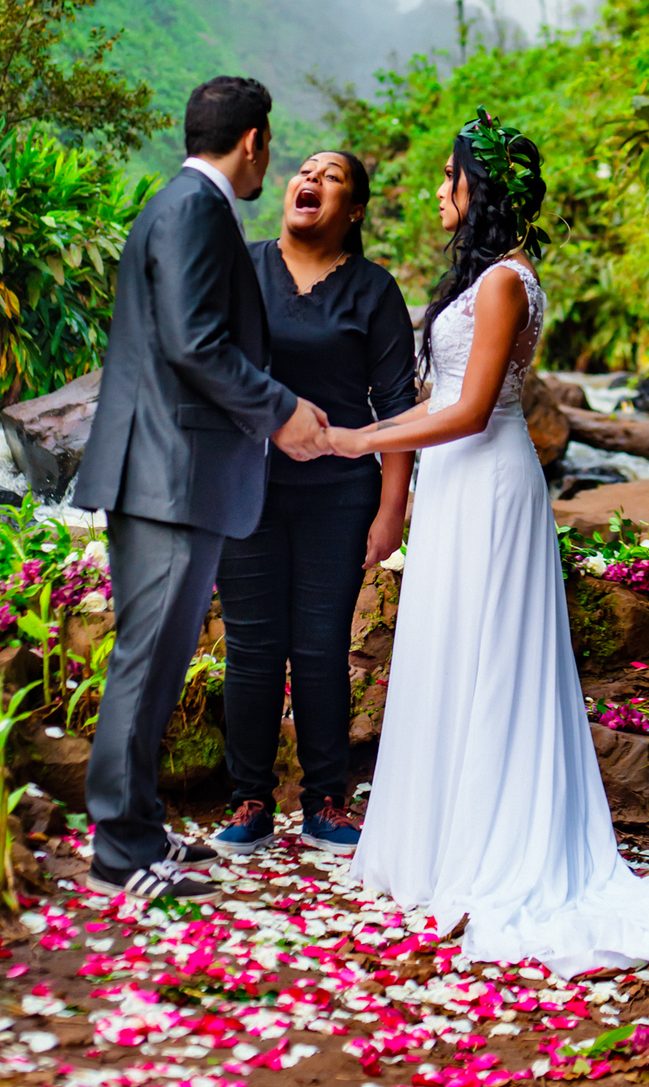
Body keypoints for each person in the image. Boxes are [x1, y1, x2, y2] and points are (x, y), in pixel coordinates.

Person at [325, 108, 649, 975]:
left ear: (479, 189)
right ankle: (444, 838)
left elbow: (472, 410)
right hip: (456, 483)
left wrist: (361, 440)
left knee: (490, 653)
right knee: (450, 646)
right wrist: (367, 436)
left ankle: (494, 846)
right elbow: (440, 399)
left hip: (487, 482)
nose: (438, 190)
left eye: (449, 177)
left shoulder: (505, 282)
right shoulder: (489, 277)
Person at [73, 76, 331, 904]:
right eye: (271, 145)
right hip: (170, 473)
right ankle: (119, 852)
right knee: (147, 661)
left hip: (166, 470)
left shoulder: (178, 204)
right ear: (253, 141)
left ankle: (141, 828)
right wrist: (281, 411)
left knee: (155, 659)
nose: (271, 160)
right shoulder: (194, 210)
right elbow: (193, 343)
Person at [211, 151, 417, 860]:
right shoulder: (240, 269)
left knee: (322, 646)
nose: (312, 181)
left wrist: (391, 509)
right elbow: (208, 370)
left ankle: (326, 802)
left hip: (340, 494)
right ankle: (249, 800)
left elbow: (396, 408)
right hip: (246, 487)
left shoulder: (373, 290)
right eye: (306, 171)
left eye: (332, 178)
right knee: (252, 647)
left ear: (353, 211)